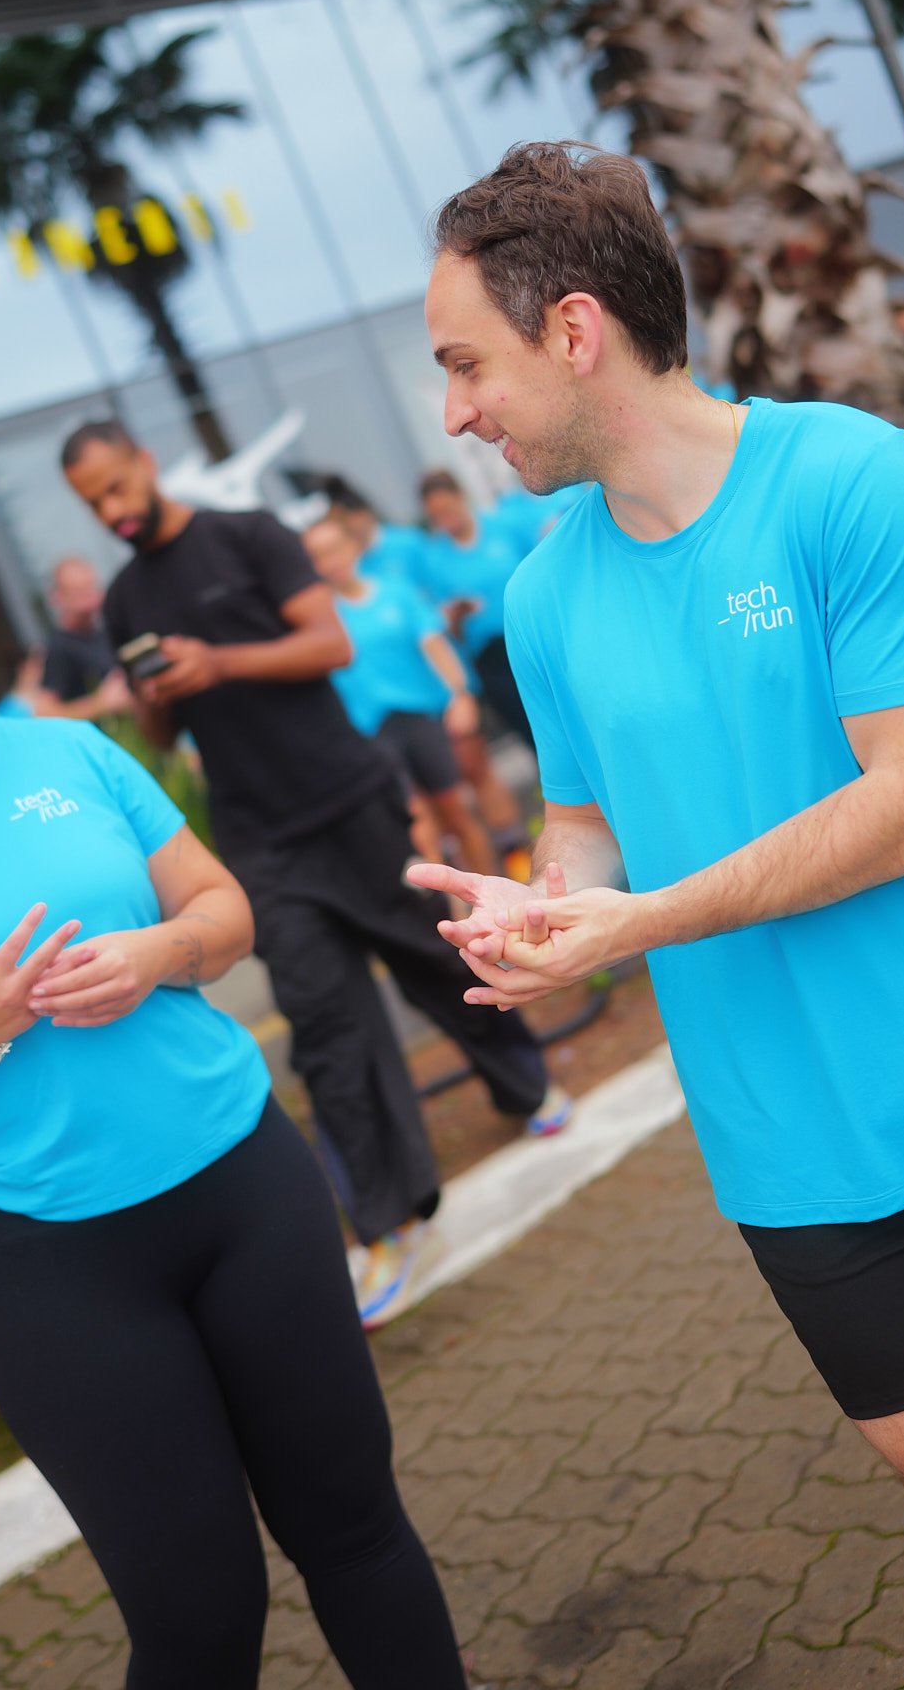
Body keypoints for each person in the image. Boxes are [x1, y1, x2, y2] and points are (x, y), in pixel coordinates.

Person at [413, 140, 904, 1690]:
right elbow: (584, 825)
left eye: (465, 363)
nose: (456, 412)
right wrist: (547, 910)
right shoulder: (542, 595)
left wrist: (640, 921)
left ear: (572, 331)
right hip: (788, 1148)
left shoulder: (847, 476)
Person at [0, 521, 466, 1690]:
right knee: (199, 1617)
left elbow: (225, 912)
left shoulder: (70, 752)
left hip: (248, 1191)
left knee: (355, 1529)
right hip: (56, 1269)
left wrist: (158, 952)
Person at [59, 420, 566, 1327]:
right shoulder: (127, 600)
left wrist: (216, 661)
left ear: (144, 462)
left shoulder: (247, 535)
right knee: (324, 1023)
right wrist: (160, 696)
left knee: (428, 960)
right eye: (92, 503)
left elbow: (329, 645)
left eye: (116, 486)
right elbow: (166, 733)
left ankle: (527, 1085)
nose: (111, 510)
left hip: (348, 799)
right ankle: (388, 1220)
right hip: (260, 840)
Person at [302, 511, 498, 878]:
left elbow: (434, 644)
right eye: (319, 556)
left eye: (335, 548)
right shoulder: (319, 619)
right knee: (419, 828)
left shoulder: (396, 591)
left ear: (353, 546)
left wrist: (460, 694)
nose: (331, 561)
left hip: (421, 719)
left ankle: (489, 892)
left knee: (457, 813)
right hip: (370, 733)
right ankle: (448, 910)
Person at [415, 469, 541, 747]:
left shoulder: (502, 527)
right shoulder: (434, 560)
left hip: (532, 639)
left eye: (446, 508)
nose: (445, 519)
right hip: (492, 658)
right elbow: (448, 630)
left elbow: (541, 573)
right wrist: (456, 614)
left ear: (460, 497)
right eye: (436, 516)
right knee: (532, 734)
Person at [41, 555, 132, 722]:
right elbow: (44, 713)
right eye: (76, 591)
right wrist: (100, 704)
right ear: (57, 596)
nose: (86, 596)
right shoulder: (60, 647)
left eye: (89, 587)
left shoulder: (107, 631)